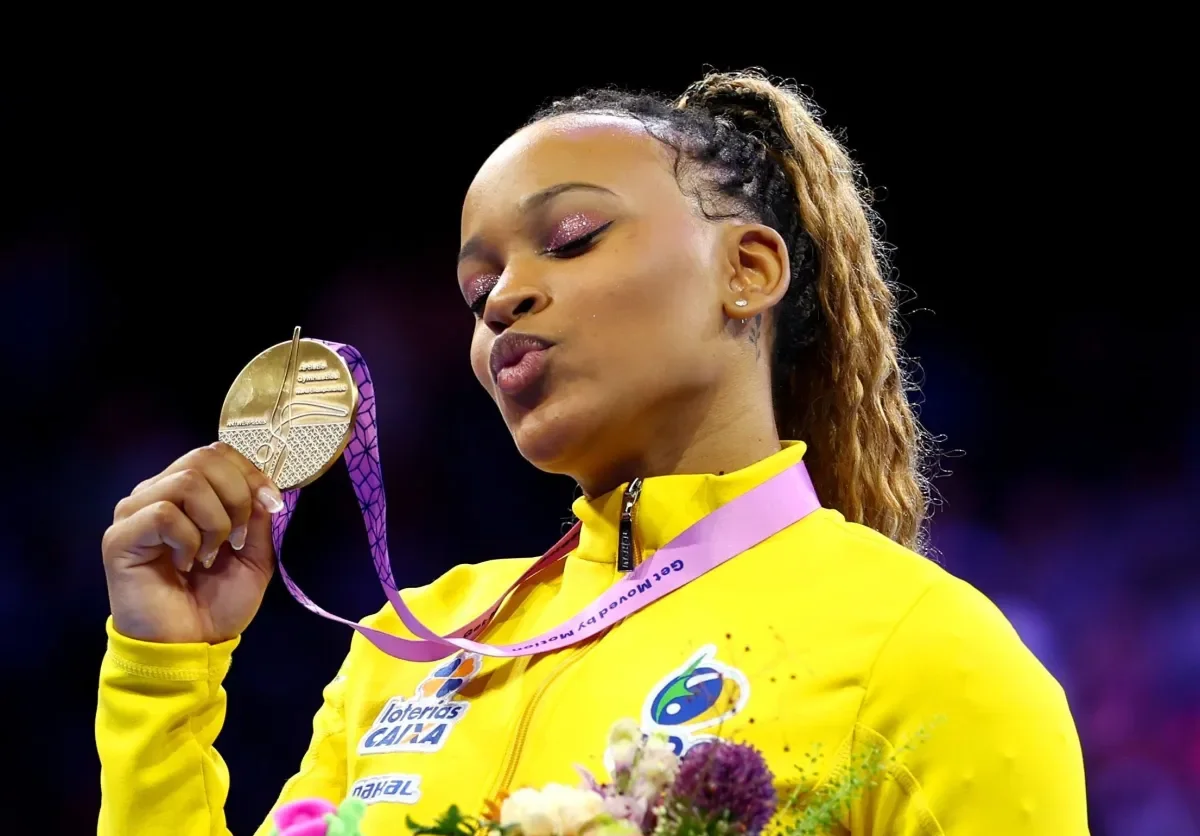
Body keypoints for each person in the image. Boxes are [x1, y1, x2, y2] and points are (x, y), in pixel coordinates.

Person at [96, 71, 1088, 835]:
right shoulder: (417, 643)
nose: (502, 299)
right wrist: (163, 671)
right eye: (477, 285)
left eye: (570, 238)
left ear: (746, 270)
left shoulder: (918, 649)